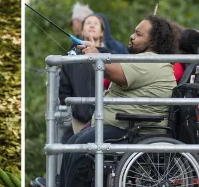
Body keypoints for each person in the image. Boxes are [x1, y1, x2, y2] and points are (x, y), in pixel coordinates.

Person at [59, 15, 177, 187]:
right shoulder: (148, 61)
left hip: (136, 130)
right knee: (72, 144)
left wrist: (95, 55)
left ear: (152, 42)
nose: (132, 36)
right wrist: (95, 53)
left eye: (138, 34)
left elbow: (109, 71)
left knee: (80, 146)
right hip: (125, 126)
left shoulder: (150, 61)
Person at [60, 14, 110, 135]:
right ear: (81, 30)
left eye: (96, 23)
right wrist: (74, 110)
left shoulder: (110, 57)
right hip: (78, 119)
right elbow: (63, 90)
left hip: (106, 119)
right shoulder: (70, 59)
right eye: (88, 23)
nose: (92, 25)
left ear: (102, 32)